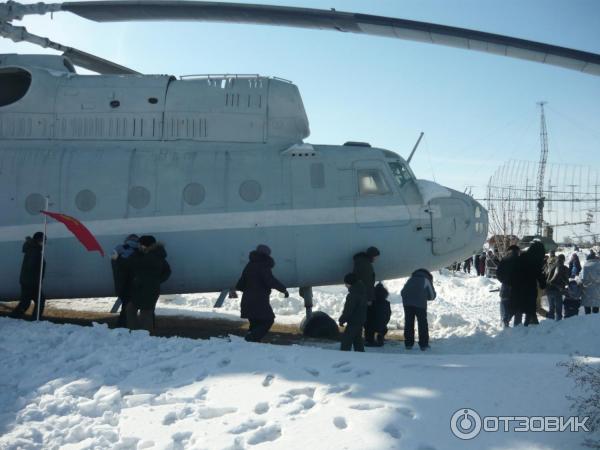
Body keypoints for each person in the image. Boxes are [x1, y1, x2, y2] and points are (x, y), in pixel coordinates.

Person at [236, 244, 289, 342]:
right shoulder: (263, 266)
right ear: (267, 255)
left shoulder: (249, 265)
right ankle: (251, 338)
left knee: (255, 322)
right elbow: (270, 280)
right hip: (259, 300)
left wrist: (250, 290)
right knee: (268, 320)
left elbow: (240, 284)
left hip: (247, 300)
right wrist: (284, 290)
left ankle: (252, 342)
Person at [126, 235, 171, 331]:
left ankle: (142, 334)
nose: (138, 246)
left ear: (145, 245)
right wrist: (157, 281)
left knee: (143, 312)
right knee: (138, 311)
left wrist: (154, 281)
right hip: (146, 288)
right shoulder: (158, 255)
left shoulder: (149, 256)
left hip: (147, 289)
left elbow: (132, 262)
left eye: (140, 244)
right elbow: (167, 271)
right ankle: (140, 334)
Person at [10, 232, 46, 320]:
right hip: (31, 282)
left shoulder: (33, 248)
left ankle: (16, 316)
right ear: (39, 240)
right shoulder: (35, 250)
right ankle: (31, 318)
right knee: (36, 301)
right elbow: (31, 266)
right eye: (43, 240)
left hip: (28, 281)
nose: (44, 243)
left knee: (27, 302)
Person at [510, 241, 547, 326]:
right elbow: (539, 275)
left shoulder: (522, 257)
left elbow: (514, 271)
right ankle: (527, 325)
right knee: (530, 308)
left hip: (518, 288)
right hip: (530, 288)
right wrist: (543, 284)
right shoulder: (536, 261)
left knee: (519, 308)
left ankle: (518, 326)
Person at [401, 269, 436, 350]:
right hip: (420, 304)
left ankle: (408, 344)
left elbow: (403, 292)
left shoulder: (410, 279)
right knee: (422, 323)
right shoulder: (426, 280)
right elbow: (432, 296)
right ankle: (424, 345)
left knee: (409, 322)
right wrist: (423, 296)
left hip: (407, 303)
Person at [353, 246, 380, 345]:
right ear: (372, 256)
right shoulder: (366, 266)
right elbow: (368, 283)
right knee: (369, 319)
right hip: (365, 297)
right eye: (376, 257)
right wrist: (369, 299)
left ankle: (359, 339)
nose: (376, 259)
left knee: (362, 319)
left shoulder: (360, 263)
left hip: (361, 296)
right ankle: (369, 340)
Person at [111, 234, 139, 327]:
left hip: (122, 285)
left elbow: (114, 264)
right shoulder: (139, 252)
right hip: (134, 285)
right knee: (132, 308)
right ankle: (128, 325)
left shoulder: (119, 250)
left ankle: (122, 325)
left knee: (125, 306)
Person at [339, 273, 368, 352]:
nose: (345, 285)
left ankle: (343, 355)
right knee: (357, 340)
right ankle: (360, 356)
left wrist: (342, 319)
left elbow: (348, 310)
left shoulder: (352, 295)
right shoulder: (362, 291)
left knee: (346, 341)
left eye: (346, 283)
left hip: (353, 321)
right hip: (360, 320)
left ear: (349, 283)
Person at [496, 245, 520, 326]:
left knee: (504, 303)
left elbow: (498, 274)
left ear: (509, 251)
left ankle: (504, 320)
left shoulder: (504, 259)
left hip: (506, 286)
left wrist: (504, 281)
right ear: (517, 251)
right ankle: (518, 325)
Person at [545, 254, 569, 320]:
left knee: (551, 308)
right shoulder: (564, 268)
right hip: (557, 291)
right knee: (558, 309)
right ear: (563, 260)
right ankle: (558, 325)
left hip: (548, 289)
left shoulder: (550, 266)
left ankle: (550, 322)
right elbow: (566, 280)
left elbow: (546, 276)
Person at [372, 282, 392, 346]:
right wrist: (385, 322)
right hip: (382, 323)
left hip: (372, 323)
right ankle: (380, 336)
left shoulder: (372, 303)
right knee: (383, 329)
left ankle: (370, 339)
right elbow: (388, 314)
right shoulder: (387, 303)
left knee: (370, 328)